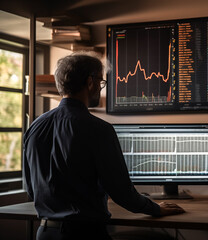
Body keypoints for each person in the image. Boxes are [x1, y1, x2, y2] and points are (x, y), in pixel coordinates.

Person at [23, 52, 185, 240]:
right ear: (90, 82)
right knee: (161, 238)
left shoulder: (35, 127)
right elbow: (122, 192)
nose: (100, 89)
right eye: (101, 83)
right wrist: (155, 208)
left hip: (44, 233)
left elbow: (31, 188)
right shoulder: (98, 129)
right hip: (84, 235)